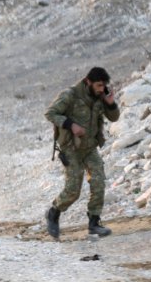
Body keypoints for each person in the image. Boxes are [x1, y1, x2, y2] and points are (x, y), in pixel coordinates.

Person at [44, 67, 120, 239]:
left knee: (98, 181)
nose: (102, 89)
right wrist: (70, 125)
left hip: (90, 148)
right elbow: (50, 113)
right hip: (71, 148)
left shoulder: (101, 97)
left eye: (104, 86)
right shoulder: (70, 95)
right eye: (99, 85)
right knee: (73, 190)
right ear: (88, 82)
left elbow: (114, 118)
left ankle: (94, 223)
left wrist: (110, 103)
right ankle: (54, 212)